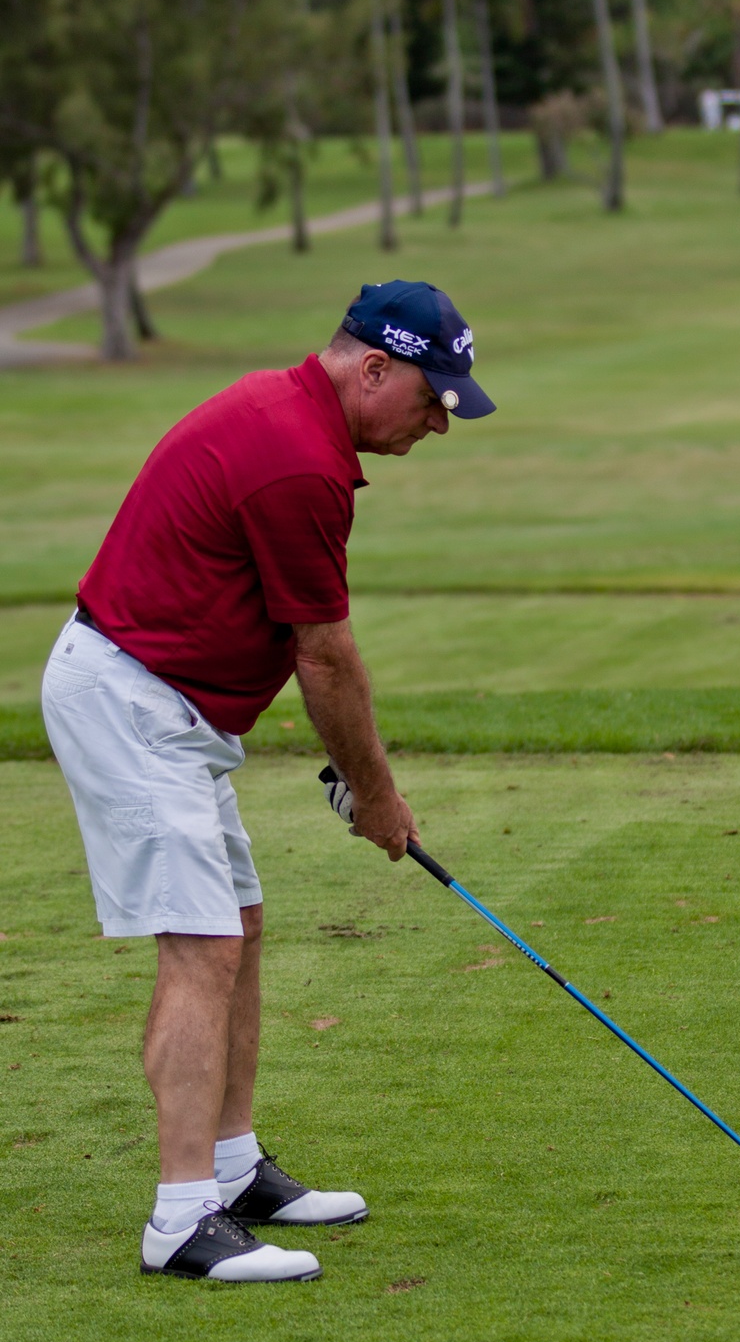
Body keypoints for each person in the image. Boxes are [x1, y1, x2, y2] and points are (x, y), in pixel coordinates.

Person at [42, 280, 496, 1283]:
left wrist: (357, 771)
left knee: (236, 925)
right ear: (371, 368)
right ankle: (179, 1219)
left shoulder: (291, 421)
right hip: (130, 704)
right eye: (432, 397)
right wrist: (375, 794)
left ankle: (235, 1168)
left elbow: (299, 646)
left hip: (174, 710)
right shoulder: (298, 461)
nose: (438, 422)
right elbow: (323, 656)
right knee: (201, 946)